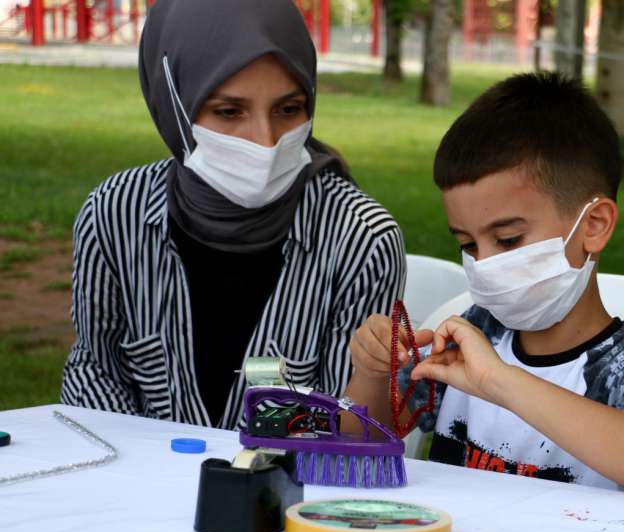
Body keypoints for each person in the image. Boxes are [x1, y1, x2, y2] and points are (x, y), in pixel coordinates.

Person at [345, 72, 624, 498]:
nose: (486, 263)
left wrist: (499, 381)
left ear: (594, 225)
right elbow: (355, 445)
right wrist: (371, 372)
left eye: (509, 239)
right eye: (468, 244)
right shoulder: (474, 333)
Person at [60, 0, 404, 429]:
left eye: (288, 109)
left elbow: (348, 422)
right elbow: (97, 376)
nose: (264, 140)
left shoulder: (360, 238)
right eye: (229, 112)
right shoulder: (114, 214)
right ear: (174, 104)